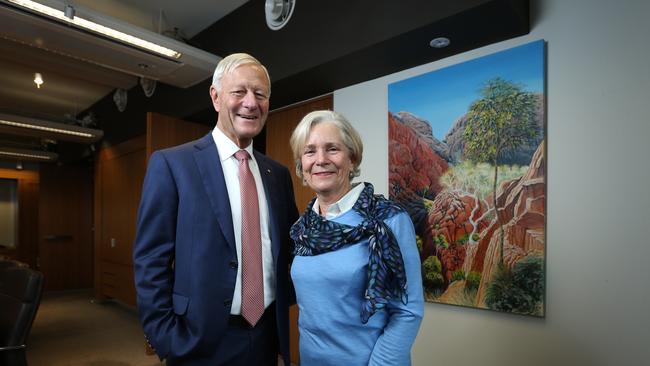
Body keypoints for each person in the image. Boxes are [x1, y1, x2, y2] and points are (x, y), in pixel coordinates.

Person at [133, 53, 298, 366]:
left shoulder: (278, 175)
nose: (251, 103)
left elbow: (289, 252)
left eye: (260, 94)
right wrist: (165, 339)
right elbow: (150, 260)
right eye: (239, 92)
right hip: (197, 343)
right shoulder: (172, 165)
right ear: (216, 97)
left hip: (265, 338)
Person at [289, 110, 424, 365]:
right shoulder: (302, 228)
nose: (321, 160)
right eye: (310, 151)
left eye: (332, 149)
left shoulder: (389, 221)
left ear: (352, 159)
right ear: (301, 166)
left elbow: (407, 311)